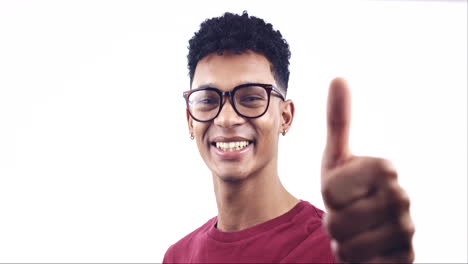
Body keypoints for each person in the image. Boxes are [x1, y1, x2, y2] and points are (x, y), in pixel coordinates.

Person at [163, 11, 414, 263]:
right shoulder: (178, 256)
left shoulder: (339, 250)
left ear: (285, 116)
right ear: (190, 120)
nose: (227, 119)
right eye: (207, 100)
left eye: (251, 98)